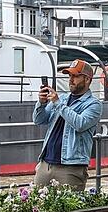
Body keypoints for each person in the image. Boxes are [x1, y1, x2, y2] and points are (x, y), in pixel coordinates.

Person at [32, 59, 103, 191]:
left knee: (70, 208)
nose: (71, 79)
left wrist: (58, 103)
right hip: (45, 164)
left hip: (71, 167)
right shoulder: (63, 98)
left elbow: (80, 124)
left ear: (87, 79)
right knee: (36, 205)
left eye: (75, 76)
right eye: (70, 76)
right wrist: (41, 103)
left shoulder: (94, 104)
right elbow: (39, 120)